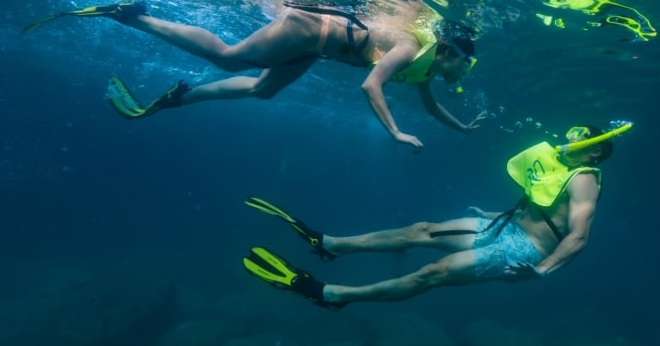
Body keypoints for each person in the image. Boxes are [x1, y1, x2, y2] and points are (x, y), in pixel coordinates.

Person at [23, 0, 485, 150]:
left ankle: (179, 98)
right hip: (308, 29)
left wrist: (461, 127)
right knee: (229, 58)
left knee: (264, 91)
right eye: (466, 63)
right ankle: (132, 17)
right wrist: (396, 132)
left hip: (315, 48)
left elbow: (429, 103)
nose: (465, 71)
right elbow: (371, 84)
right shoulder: (408, 46)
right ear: (448, 51)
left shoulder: (426, 66)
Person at [241, 123, 630, 309]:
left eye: (581, 135)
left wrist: (541, 271)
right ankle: (331, 246)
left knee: (435, 272)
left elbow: (578, 237)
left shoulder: (585, 180)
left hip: (522, 251)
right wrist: (492, 213)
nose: (573, 135)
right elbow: (543, 208)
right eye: (575, 130)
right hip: (504, 227)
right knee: (421, 230)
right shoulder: (559, 169)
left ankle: (334, 295)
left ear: (595, 151)